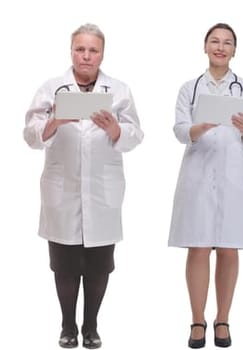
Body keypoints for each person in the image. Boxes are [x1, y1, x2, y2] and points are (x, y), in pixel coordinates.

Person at [23, 23, 144, 350]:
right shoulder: (52, 88)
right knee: (64, 262)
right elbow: (30, 135)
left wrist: (117, 130)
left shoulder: (118, 90)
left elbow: (136, 135)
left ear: (102, 54)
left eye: (93, 50)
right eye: (80, 49)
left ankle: (90, 326)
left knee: (98, 264)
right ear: (71, 51)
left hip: (102, 190)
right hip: (62, 190)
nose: (86, 56)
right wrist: (54, 122)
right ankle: (67, 325)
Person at [168, 23, 243, 349]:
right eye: (214, 41)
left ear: (235, 50)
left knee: (228, 246)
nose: (220, 47)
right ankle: (197, 320)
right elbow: (180, 129)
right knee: (197, 245)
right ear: (205, 46)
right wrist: (198, 127)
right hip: (197, 172)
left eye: (227, 43)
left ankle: (222, 319)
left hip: (233, 174)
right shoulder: (189, 88)